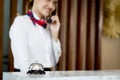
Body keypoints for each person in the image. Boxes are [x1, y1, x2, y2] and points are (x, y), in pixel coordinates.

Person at [9, 0, 61, 72]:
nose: (51, 6)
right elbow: (24, 64)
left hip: (46, 76)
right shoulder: (21, 22)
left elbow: (52, 63)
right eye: (48, 0)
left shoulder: (49, 27)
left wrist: (55, 35)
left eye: (54, 3)